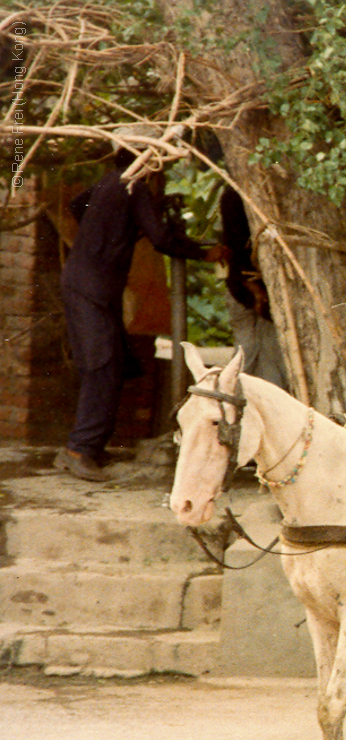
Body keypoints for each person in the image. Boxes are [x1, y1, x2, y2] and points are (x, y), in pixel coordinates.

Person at [56, 132, 228, 481]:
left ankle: (89, 444)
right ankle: (79, 450)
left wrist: (108, 232)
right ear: (151, 162)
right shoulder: (134, 188)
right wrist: (204, 252)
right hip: (92, 289)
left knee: (112, 363)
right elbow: (163, 239)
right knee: (102, 365)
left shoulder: (112, 182)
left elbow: (78, 206)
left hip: (87, 285)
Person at [218, 187, 290, 390]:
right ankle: (232, 398)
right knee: (248, 353)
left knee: (265, 352)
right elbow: (237, 244)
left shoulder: (236, 195)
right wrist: (255, 291)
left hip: (256, 289)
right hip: (249, 289)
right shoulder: (236, 196)